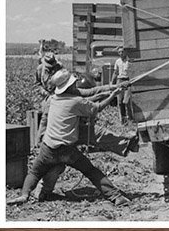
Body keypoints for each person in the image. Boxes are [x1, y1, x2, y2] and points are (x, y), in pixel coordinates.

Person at [8, 69, 131, 207]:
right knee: (91, 171)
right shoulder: (76, 101)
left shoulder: (52, 99)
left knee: (35, 172)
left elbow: (89, 96)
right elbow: (96, 108)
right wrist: (113, 95)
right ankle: (116, 196)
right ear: (70, 86)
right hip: (67, 150)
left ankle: (24, 195)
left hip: (48, 149)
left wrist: (108, 91)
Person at [112, 47, 134, 124]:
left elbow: (133, 71)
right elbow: (115, 72)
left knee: (127, 101)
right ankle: (123, 120)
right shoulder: (117, 61)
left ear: (125, 52)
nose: (121, 53)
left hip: (127, 80)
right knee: (120, 101)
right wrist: (112, 83)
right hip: (120, 81)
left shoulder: (129, 61)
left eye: (122, 52)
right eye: (119, 52)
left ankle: (131, 118)